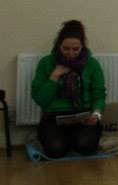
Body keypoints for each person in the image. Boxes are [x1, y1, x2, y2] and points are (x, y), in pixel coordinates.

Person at [30, 19, 106, 158]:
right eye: (66, 48)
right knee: (55, 150)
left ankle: (73, 140)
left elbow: (99, 94)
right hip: (54, 116)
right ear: (58, 45)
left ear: (83, 47)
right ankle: (63, 140)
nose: (71, 53)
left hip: (83, 116)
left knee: (86, 147)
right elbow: (40, 100)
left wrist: (96, 114)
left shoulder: (92, 64)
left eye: (76, 49)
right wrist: (55, 76)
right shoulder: (46, 63)